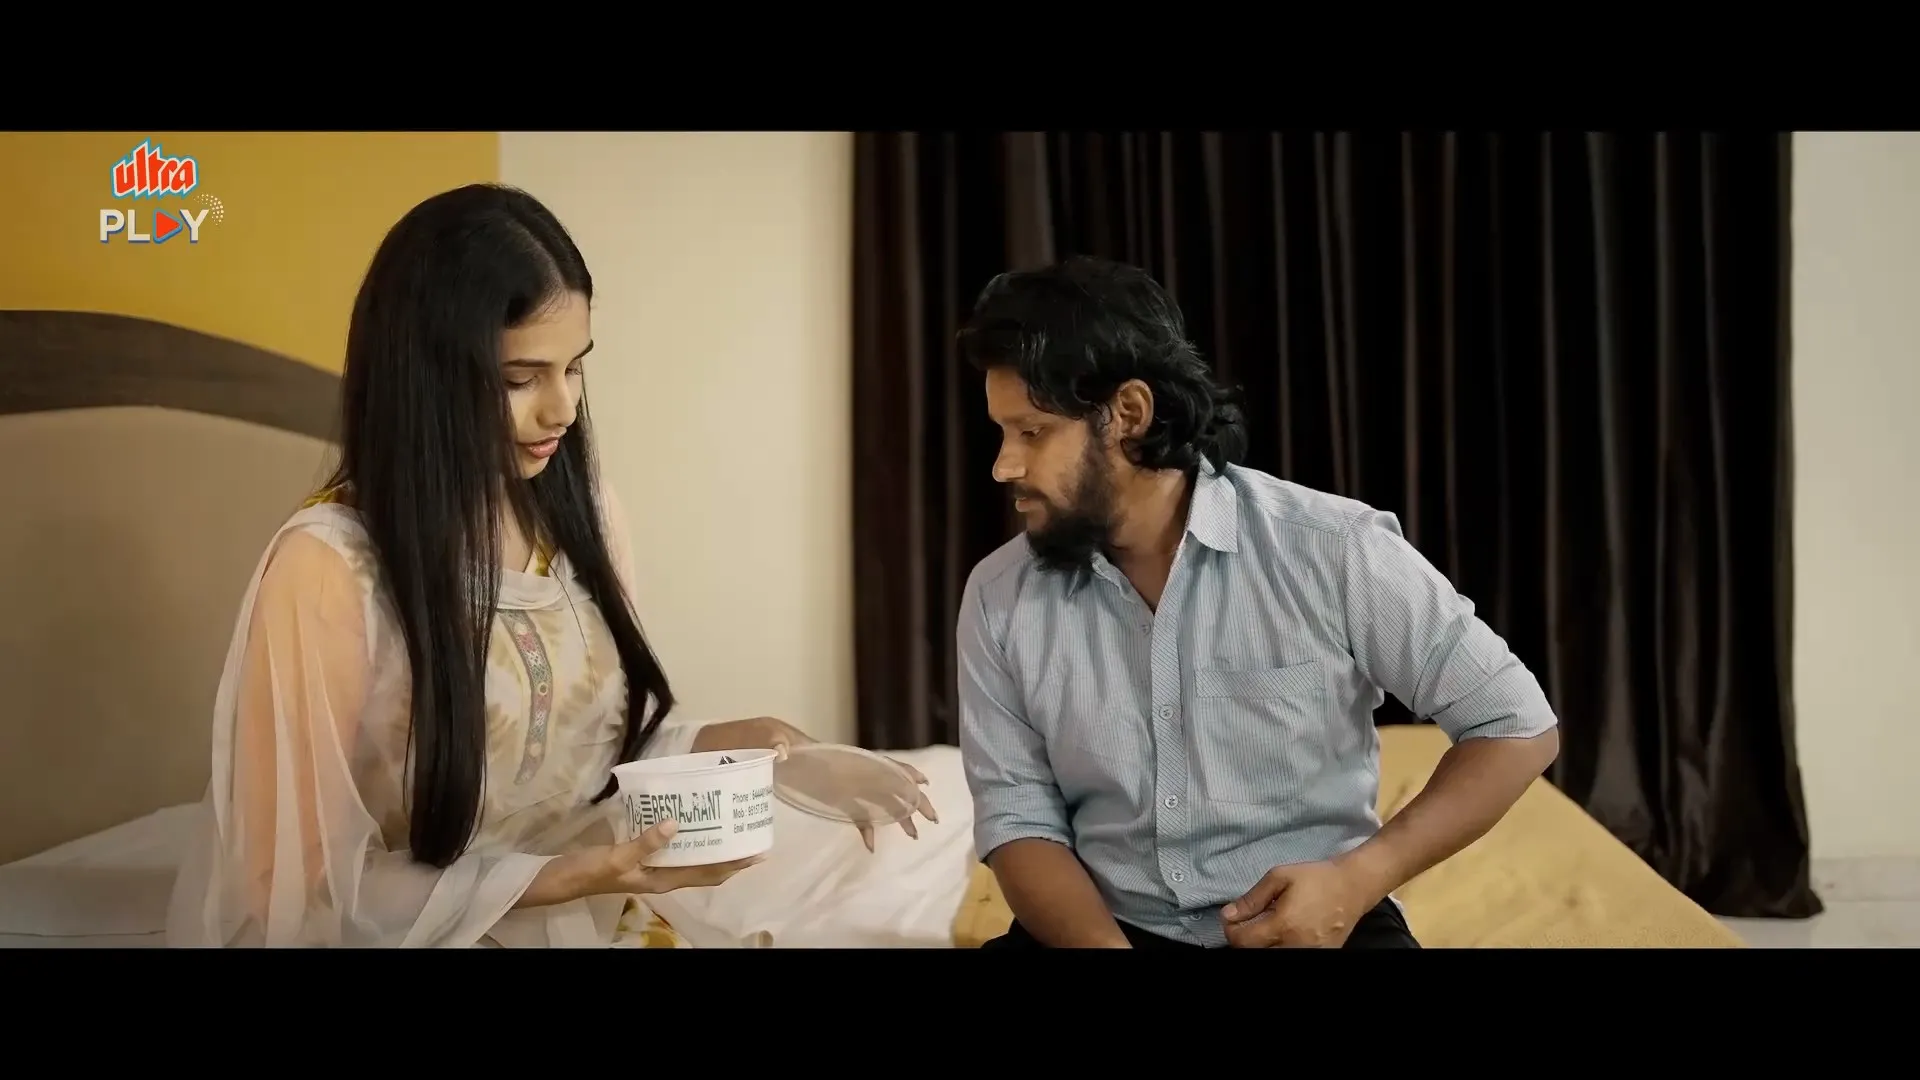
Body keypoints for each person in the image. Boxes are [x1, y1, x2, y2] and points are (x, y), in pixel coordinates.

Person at [166, 183, 934, 948]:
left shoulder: (586, 513)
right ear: (425, 375)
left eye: (575, 368)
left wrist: (768, 752)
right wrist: (567, 877)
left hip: (590, 919)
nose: (562, 408)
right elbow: (294, 890)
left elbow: (591, 756)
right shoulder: (330, 570)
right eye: (520, 378)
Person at [954, 255, 1560, 949]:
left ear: (1128, 414)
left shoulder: (1334, 548)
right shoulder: (999, 595)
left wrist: (1359, 880)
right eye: (1002, 433)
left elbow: (1516, 724)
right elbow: (1019, 819)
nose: (1003, 465)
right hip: (1099, 930)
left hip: (1316, 921)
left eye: (1032, 432)